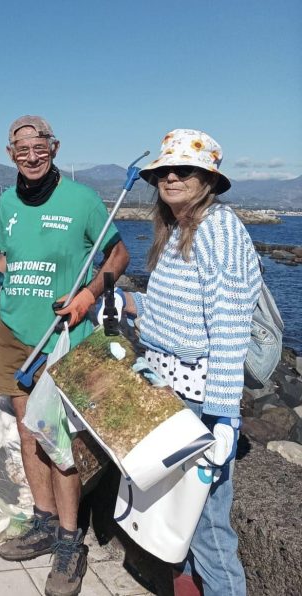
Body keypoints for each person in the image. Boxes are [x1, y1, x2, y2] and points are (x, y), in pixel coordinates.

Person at [0, 115, 129, 596]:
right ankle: (42, 520)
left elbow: (118, 255)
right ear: (10, 153)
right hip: (16, 331)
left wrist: (91, 294)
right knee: (27, 429)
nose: (31, 155)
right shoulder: (6, 200)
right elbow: (11, 258)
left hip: (61, 333)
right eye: (22, 149)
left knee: (58, 440)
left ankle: (68, 540)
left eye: (40, 147)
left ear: (54, 148)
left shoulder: (82, 200)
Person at [118, 129, 260, 596]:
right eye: (164, 171)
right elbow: (178, 309)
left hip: (199, 398)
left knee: (207, 523)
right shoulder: (175, 227)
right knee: (175, 511)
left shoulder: (220, 228)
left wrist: (223, 415)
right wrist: (125, 303)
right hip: (167, 386)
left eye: (186, 170)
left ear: (209, 181)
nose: (171, 176)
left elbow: (230, 321)